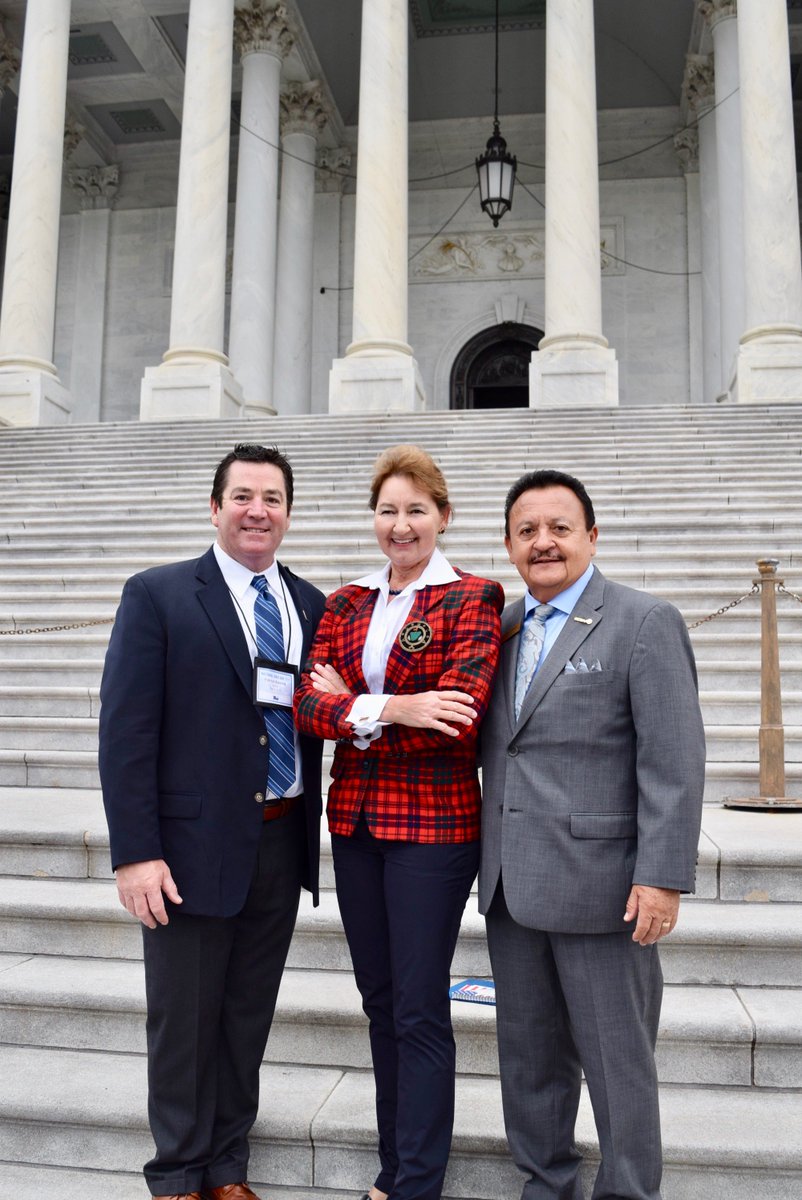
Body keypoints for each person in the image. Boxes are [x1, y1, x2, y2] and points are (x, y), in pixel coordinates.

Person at [98, 443, 325, 1200]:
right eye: (243, 496)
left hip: (280, 837)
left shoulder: (312, 604)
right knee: (184, 1020)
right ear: (215, 507)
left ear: (289, 513)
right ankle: (176, 1176)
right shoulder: (160, 595)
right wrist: (136, 854)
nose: (258, 510)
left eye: (273, 498)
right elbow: (127, 732)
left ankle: (228, 1166)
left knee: (245, 1014)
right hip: (188, 849)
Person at [478, 468, 706, 1200]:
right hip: (513, 890)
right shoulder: (501, 629)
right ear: (510, 546)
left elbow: (672, 759)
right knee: (529, 1061)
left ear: (591, 537)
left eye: (559, 528)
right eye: (526, 531)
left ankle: (630, 1192)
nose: (542, 542)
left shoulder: (644, 621)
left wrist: (662, 875)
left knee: (618, 1064)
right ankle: (545, 1185)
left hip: (606, 891)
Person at [294, 445, 504, 1200]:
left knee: (417, 1007)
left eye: (417, 509)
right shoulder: (345, 602)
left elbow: (458, 711)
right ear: (373, 520)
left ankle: (415, 1181)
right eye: (388, 510)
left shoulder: (474, 596)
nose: (401, 524)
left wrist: (357, 702)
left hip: (432, 830)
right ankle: (395, 1165)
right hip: (353, 825)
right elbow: (307, 709)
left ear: (443, 517)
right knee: (380, 1001)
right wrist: (395, 706)